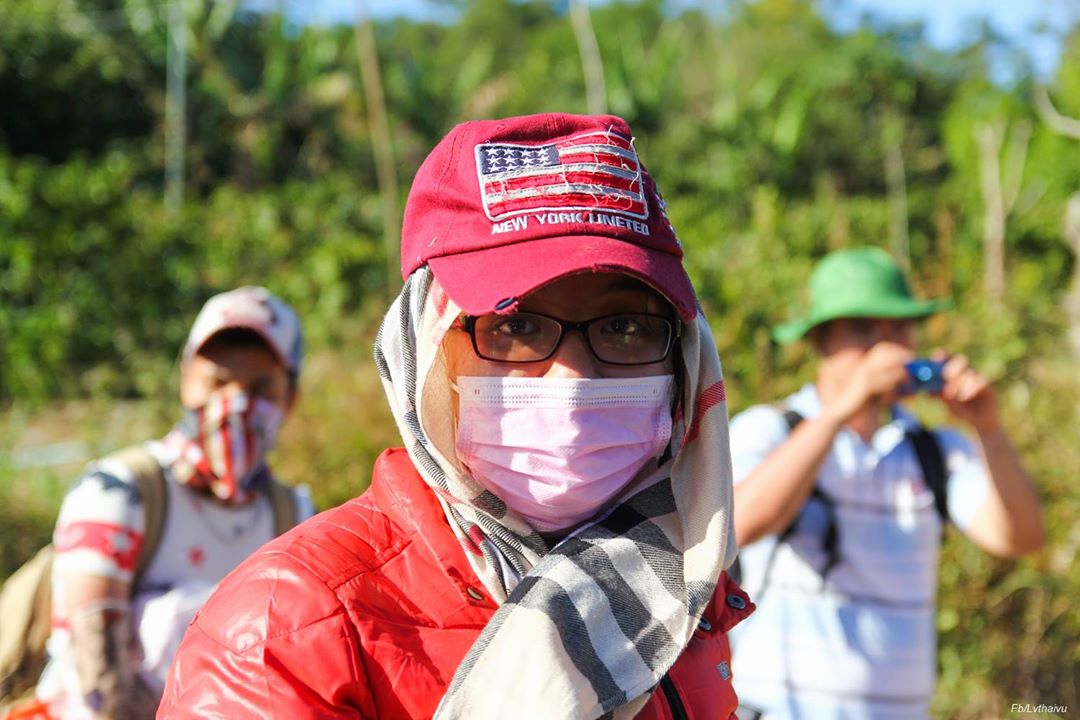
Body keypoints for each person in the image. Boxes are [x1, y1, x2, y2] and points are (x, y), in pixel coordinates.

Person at [157, 113, 753, 719]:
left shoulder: (680, 585)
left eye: (625, 327)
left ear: (683, 361)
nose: (572, 378)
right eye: (515, 325)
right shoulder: (288, 630)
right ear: (425, 349)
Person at [728, 247, 1045, 719]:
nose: (888, 348)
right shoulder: (770, 430)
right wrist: (841, 410)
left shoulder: (935, 450)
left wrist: (989, 430)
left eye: (899, 328)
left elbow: (1021, 538)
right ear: (820, 341)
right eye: (863, 331)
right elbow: (738, 527)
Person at [34, 286, 315, 720]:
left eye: (259, 387)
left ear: (290, 399)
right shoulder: (119, 492)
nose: (235, 403)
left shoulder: (292, 516)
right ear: (186, 381)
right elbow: (100, 676)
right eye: (218, 381)